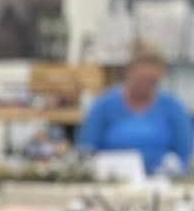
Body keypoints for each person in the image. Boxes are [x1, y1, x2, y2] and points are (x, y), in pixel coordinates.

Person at [75, 46, 192, 174]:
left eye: (152, 82)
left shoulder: (174, 107)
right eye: (141, 80)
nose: (146, 86)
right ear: (127, 73)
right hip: (110, 180)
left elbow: (185, 155)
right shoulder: (103, 106)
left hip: (161, 182)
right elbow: (86, 150)